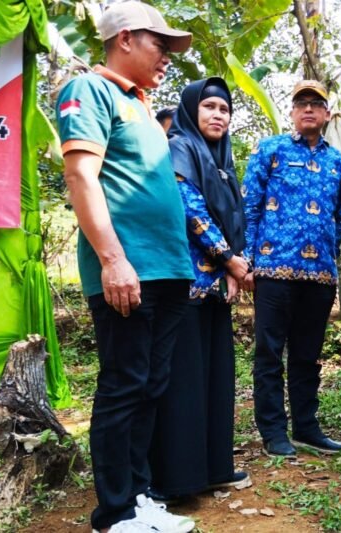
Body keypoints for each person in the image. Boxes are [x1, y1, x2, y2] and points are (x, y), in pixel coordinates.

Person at [56, 2, 197, 532]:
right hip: (127, 272)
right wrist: (113, 261)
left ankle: (138, 499)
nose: (166, 58)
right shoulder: (88, 90)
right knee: (124, 384)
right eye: (160, 45)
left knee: (150, 386)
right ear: (127, 39)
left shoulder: (139, 105)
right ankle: (114, 514)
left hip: (166, 270)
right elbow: (81, 179)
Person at [147, 78, 251, 503]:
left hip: (215, 288)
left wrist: (232, 265)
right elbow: (188, 208)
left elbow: (234, 215)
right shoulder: (179, 146)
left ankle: (213, 469)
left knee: (215, 380)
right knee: (185, 382)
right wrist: (230, 260)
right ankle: (177, 480)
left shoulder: (221, 161)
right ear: (192, 110)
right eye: (208, 106)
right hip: (186, 284)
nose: (217, 115)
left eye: (224, 109)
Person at [242, 80, 341, 457]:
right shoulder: (270, 150)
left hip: (319, 276)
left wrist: (331, 260)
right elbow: (250, 206)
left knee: (307, 356)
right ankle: (273, 432)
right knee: (269, 354)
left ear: (326, 113)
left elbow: (339, 216)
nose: (308, 109)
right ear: (291, 111)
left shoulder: (336, 160)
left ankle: (306, 426)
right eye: (301, 103)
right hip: (273, 270)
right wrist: (248, 262)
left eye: (316, 104)